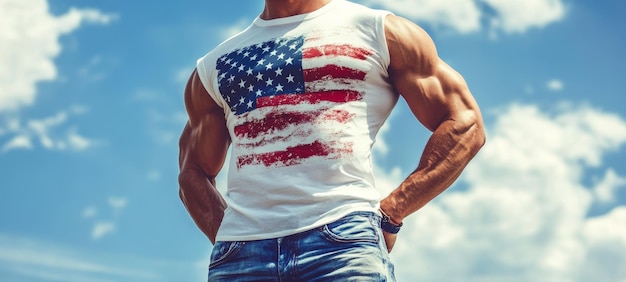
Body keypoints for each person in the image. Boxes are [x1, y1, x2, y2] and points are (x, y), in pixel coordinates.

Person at [179, 0, 486, 280]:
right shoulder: (215, 64)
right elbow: (192, 170)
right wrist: (230, 237)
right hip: (242, 258)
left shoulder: (380, 31)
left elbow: (465, 123)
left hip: (342, 243)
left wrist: (395, 208)